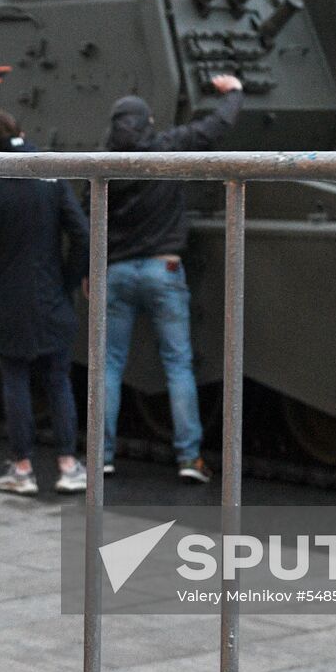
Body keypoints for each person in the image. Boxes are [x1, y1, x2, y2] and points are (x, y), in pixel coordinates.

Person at [101, 74, 245, 482]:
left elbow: (88, 217)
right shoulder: (165, 148)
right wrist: (233, 93)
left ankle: (102, 456)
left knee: (108, 366)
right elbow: (214, 127)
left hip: (116, 271)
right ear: (147, 122)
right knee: (179, 365)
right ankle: (188, 459)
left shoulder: (102, 163)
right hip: (163, 269)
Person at [0, 110, 90, 496]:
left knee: (15, 381)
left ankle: (22, 469)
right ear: (24, 134)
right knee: (59, 381)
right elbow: (82, 235)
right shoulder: (51, 176)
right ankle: (68, 465)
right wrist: (69, 281)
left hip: (7, 303)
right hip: (51, 297)